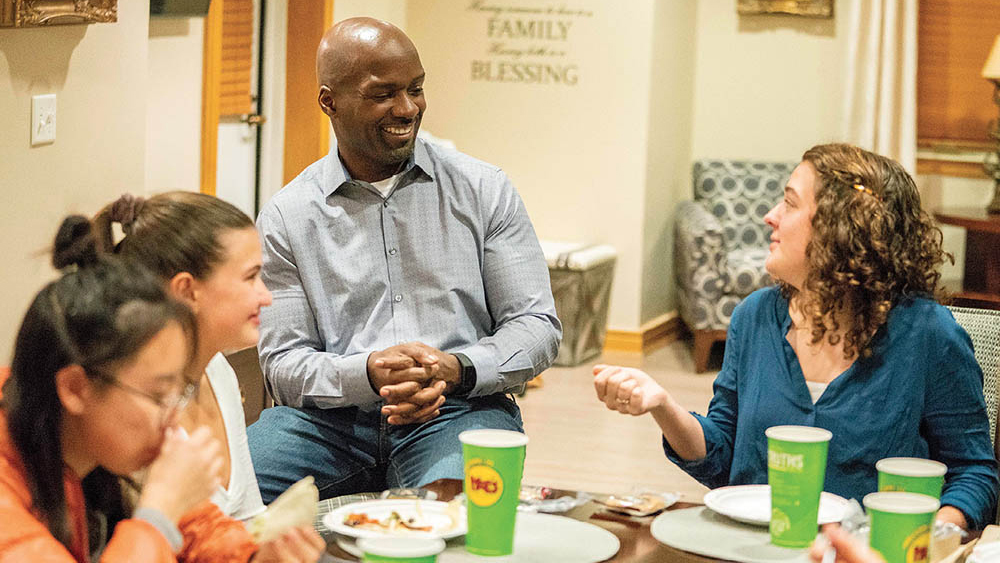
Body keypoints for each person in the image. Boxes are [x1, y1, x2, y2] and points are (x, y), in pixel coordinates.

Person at [593, 143, 999, 529]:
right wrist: (662, 405)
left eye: (789, 203)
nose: (770, 216)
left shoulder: (927, 333)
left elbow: (975, 473)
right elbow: (725, 459)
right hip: (755, 548)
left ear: (842, 227)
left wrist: (929, 535)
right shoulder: (754, 317)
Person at [248, 17, 561, 502]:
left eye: (416, 88)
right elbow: (283, 363)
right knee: (219, 499)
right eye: (383, 94)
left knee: (454, 511)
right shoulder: (286, 216)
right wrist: (368, 373)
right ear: (329, 101)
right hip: (325, 425)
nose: (407, 108)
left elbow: (537, 326)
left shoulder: (483, 189)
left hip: (457, 411)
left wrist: (455, 368)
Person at [0, 217, 323, 562]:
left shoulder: (100, 444)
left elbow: (196, 525)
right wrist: (158, 514)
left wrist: (255, 556)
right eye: (157, 396)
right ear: (76, 389)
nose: (174, 422)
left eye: (178, 392)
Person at [92, 192, 274, 522]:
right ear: (188, 291)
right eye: (251, 277)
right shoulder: (139, 406)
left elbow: (250, 520)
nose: (267, 296)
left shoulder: (218, 369)